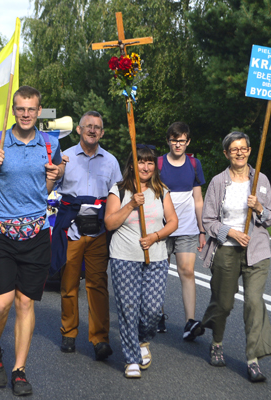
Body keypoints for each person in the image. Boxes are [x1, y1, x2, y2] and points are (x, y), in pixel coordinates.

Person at [0, 86, 64, 396]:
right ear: (14, 109)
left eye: (31, 109)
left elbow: (54, 176)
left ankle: (19, 369)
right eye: (20, 109)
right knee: (1, 303)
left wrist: (56, 173)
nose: (25, 114)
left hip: (36, 233)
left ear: (38, 111)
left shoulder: (49, 144)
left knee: (25, 303)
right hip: (1, 234)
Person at [199, 131, 271, 382]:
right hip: (226, 249)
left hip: (257, 251)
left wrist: (259, 208)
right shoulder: (218, 182)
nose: (240, 152)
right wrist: (230, 231)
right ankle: (217, 342)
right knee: (224, 303)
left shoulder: (261, 180)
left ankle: (253, 359)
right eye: (234, 149)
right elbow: (208, 220)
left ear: (250, 151)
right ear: (226, 153)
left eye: (244, 148)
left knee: (254, 303)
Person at [51, 110, 122, 360]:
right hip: (71, 226)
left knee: (97, 284)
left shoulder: (111, 161)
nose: (92, 130)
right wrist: (55, 171)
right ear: (79, 130)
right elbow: (50, 185)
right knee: (69, 283)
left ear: (102, 133)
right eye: (88, 126)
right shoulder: (65, 157)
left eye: (97, 127)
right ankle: (69, 332)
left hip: (99, 228)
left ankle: (100, 338)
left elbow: (117, 195)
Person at [104, 145, 178, 379]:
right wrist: (131, 205)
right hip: (124, 256)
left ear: (154, 167)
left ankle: (143, 339)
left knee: (153, 309)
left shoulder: (161, 191)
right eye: (141, 162)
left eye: (149, 162)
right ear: (132, 165)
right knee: (128, 309)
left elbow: (173, 222)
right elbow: (109, 223)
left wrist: (155, 236)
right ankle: (131, 358)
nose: (145, 167)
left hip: (155, 257)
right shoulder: (119, 190)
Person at [158, 122, 206, 339]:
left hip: (187, 228)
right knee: (158, 273)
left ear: (188, 142)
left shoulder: (194, 164)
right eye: (174, 140)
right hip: (161, 227)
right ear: (168, 140)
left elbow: (198, 200)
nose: (178, 144)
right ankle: (156, 314)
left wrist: (202, 229)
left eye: (182, 140)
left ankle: (190, 321)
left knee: (187, 271)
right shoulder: (158, 164)